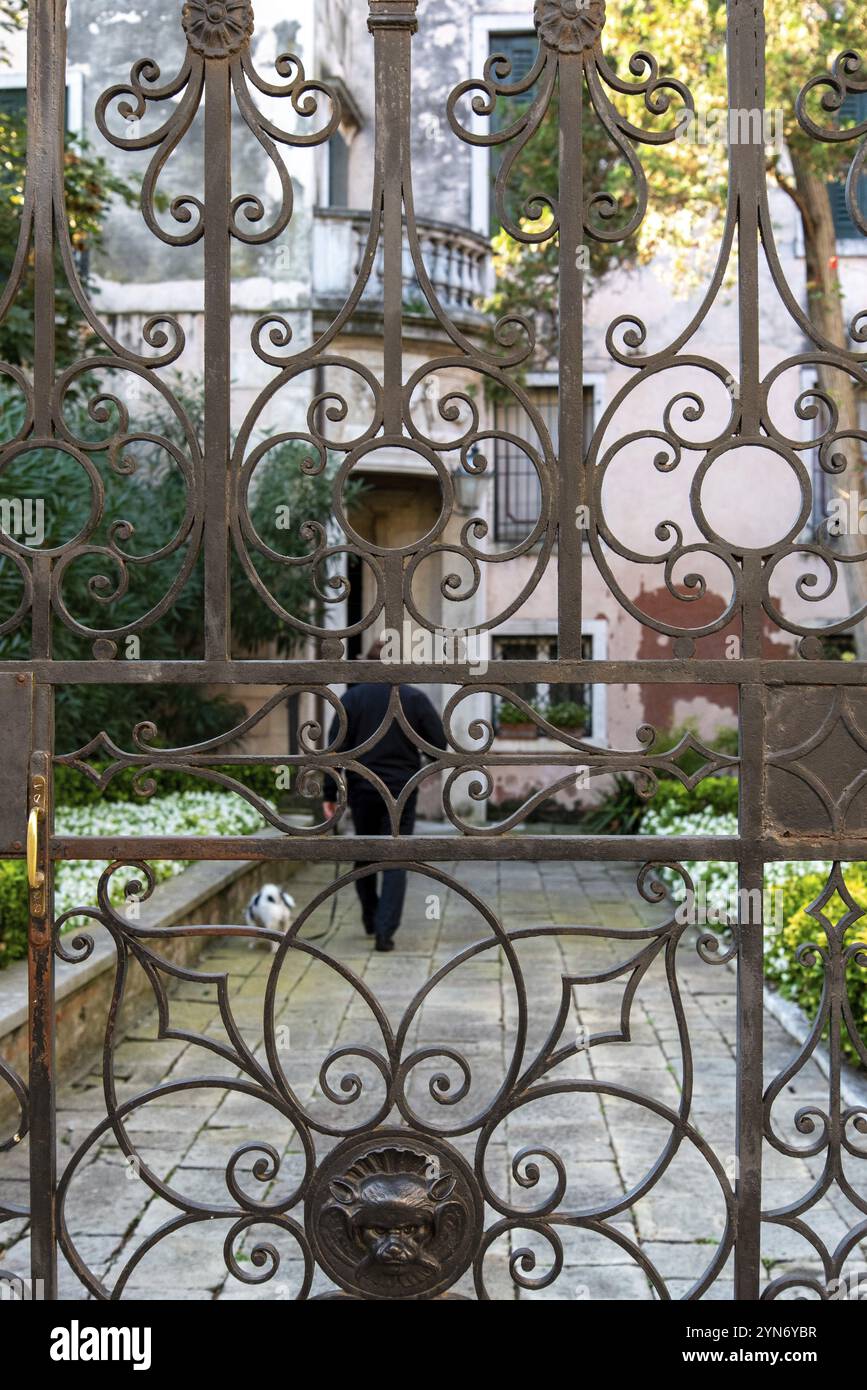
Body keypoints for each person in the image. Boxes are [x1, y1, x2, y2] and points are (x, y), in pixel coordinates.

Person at [321, 640, 447, 952]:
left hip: (363, 787)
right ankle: (384, 931)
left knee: (365, 854)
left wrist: (330, 793)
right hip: (402, 789)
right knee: (395, 857)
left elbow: (332, 750)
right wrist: (421, 765)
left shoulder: (352, 698)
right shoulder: (413, 698)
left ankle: (370, 917)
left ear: (366, 663)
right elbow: (439, 745)